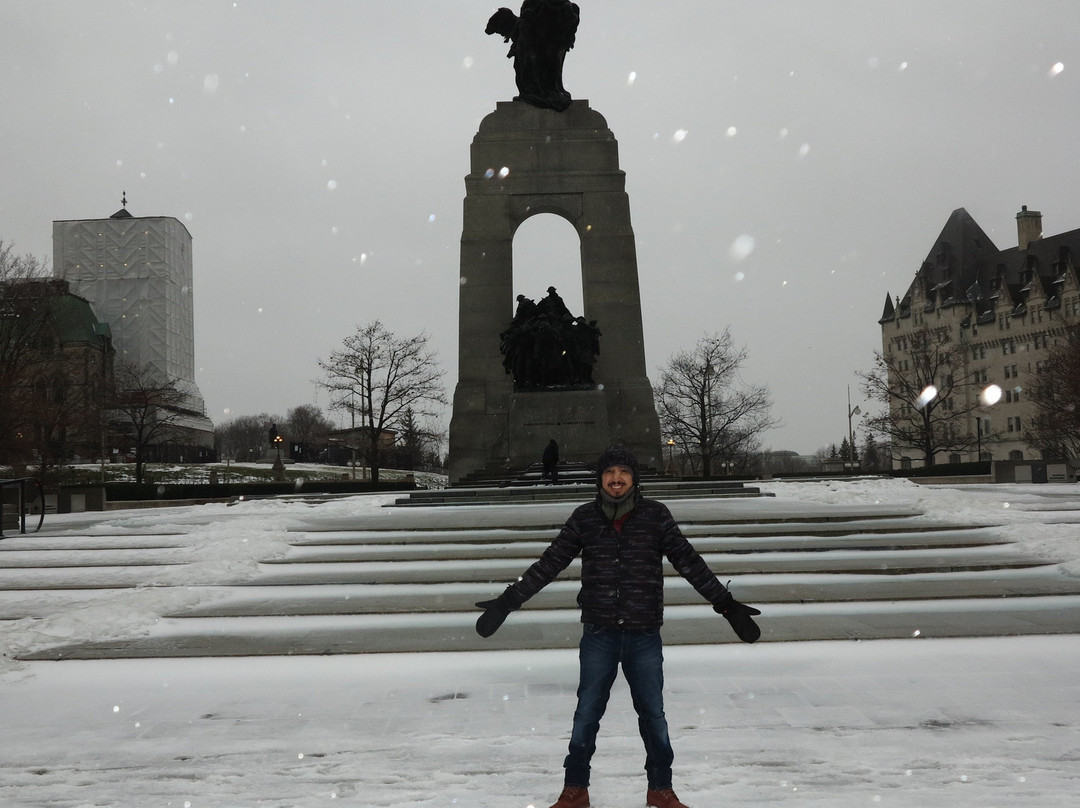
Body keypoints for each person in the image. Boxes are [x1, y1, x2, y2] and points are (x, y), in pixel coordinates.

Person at [475, 445, 762, 808]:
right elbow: (550, 563)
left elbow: (689, 561)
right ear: (600, 479)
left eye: (622, 473)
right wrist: (509, 600)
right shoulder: (585, 518)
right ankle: (575, 789)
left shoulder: (656, 516)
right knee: (587, 713)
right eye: (609, 473)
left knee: (653, 715)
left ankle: (660, 789)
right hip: (600, 633)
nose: (616, 479)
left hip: (643, 634)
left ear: (633, 478)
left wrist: (726, 604)